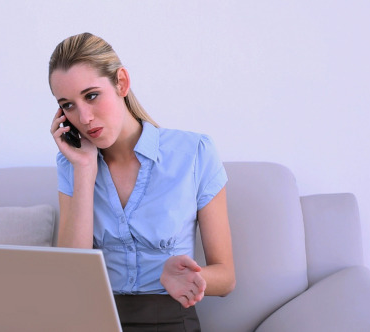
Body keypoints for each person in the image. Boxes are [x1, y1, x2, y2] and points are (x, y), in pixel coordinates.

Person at [49, 32, 235, 331]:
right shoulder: (71, 164)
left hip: (170, 317)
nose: (83, 117)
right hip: (95, 320)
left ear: (121, 82)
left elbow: (226, 278)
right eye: (68, 105)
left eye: (92, 95)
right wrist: (84, 170)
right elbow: (73, 277)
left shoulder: (194, 153)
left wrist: (189, 278)